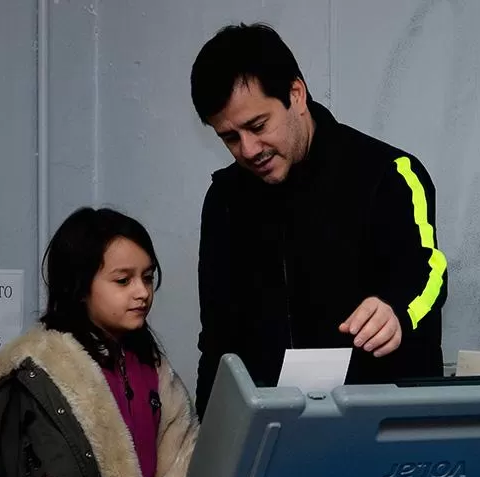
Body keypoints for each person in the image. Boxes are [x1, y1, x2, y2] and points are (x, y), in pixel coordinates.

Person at [190, 23, 448, 419]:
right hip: (277, 440)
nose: (249, 149)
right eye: (229, 137)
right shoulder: (225, 200)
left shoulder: (389, 174)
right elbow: (218, 346)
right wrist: (208, 444)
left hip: (386, 435)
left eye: (258, 126)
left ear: (296, 94)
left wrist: (396, 309)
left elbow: (430, 275)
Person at [0, 207, 199, 477]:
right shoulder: (39, 380)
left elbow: (178, 473)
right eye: (123, 280)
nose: (142, 292)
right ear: (80, 286)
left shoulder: (151, 368)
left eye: (147, 277)